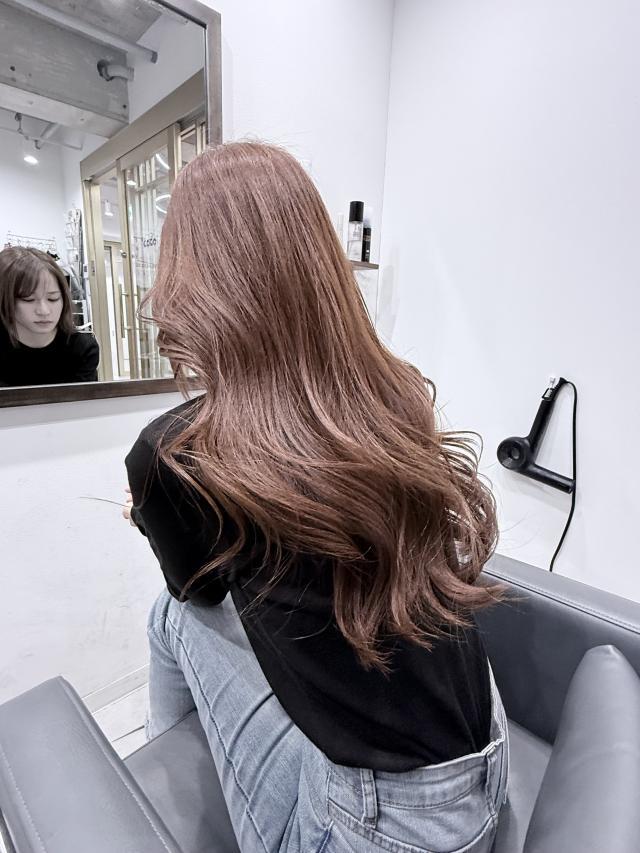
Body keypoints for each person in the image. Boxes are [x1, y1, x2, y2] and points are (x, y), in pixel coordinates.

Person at [125, 142, 509, 853]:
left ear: (190, 285)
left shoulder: (173, 452)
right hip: (488, 754)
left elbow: (196, 595)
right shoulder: (389, 399)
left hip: (389, 829)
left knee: (168, 617)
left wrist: (158, 517)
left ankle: (147, 805)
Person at [0, 246, 99, 386]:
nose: (44, 311)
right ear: (4, 300)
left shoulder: (82, 348)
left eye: (53, 299)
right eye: (28, 300)